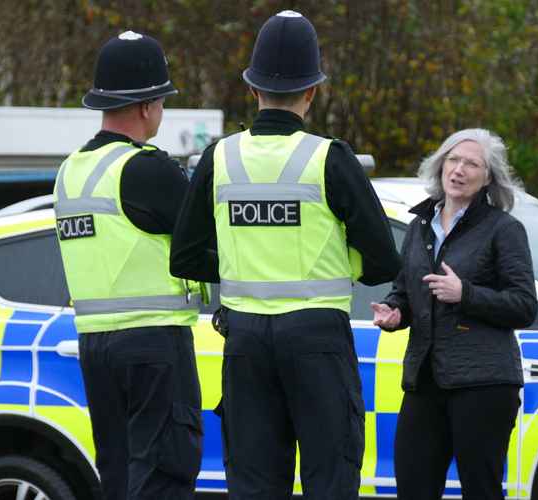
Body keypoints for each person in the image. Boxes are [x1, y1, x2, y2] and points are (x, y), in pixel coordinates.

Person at [170, 10, 401, 500]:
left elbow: (184, 257)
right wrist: (335, 266)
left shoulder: (219, 157)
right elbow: (384, 261)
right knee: (330, 478)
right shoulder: (329, 157)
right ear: (312, 92)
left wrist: (241, 268)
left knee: (253, 484)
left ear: (252, 90)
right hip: (317, 340)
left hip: (246, 342)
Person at [53, 31, 205, 500]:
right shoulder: (146, 168)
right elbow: (205, 239)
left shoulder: (70, 171)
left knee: (118, 477)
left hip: (95, 346)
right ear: (146, 106)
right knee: (163, 474)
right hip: (153, 344)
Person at [372, 129, 537, 500]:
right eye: (453, 160)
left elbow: (524, 305)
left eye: (471, 163)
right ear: (440, 165)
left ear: (488, 177)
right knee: (413, 487)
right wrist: (396, 311)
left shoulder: (503, 230)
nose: (459, 169)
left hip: (483, 383)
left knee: (481, 490)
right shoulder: (419, 225)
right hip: (425, 379)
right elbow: (408, 287)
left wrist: (466, 294)